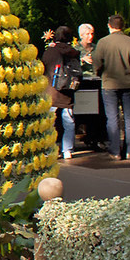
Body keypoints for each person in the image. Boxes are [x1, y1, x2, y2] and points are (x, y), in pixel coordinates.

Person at [94, 14, 130, 160]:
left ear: (109, 26)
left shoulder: (103, 42)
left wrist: (100, 73)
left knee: (112, 117)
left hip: (109, 84)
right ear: (123, 26)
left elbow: (97, 64)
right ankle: (129, 150)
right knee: (129, 118)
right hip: (128, 83)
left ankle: (115, 151)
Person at [43, 26, 80, 160]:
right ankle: (67, 150)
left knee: (50, 121)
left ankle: (50, 148)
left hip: (52, 90)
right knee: (69, 121)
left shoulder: (50, 51)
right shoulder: (73, 52)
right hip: (67, 91)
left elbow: (43, 67)